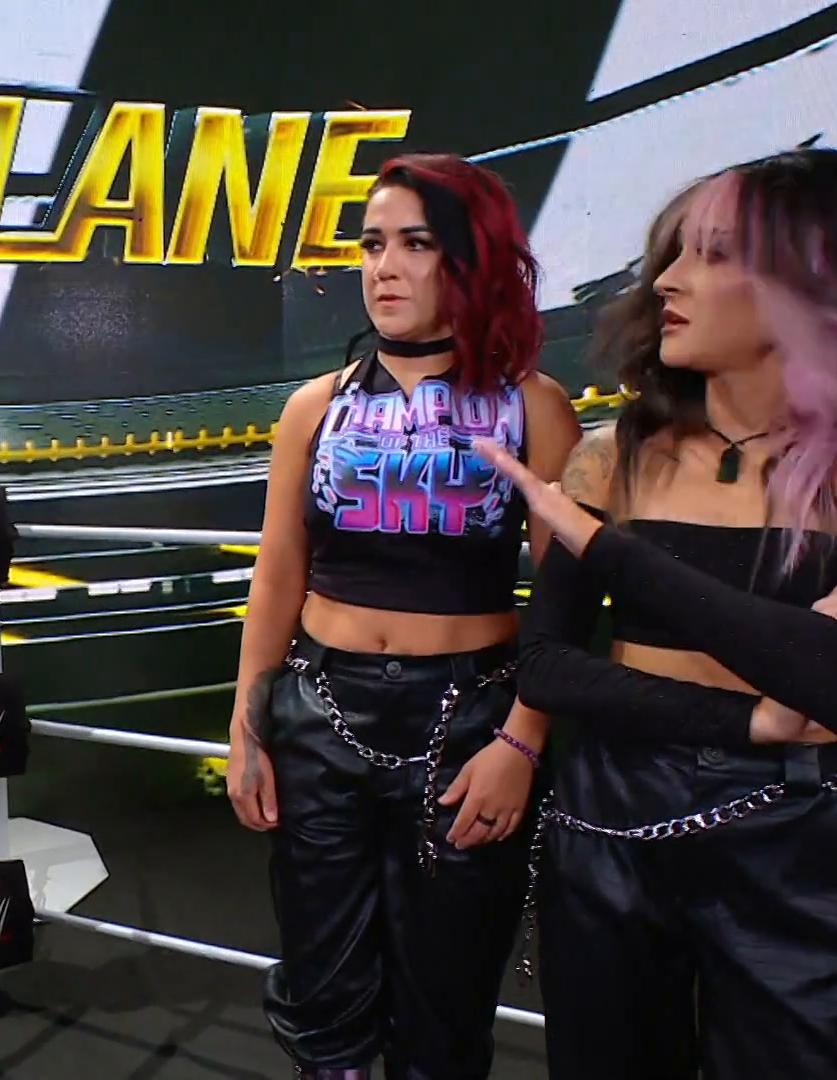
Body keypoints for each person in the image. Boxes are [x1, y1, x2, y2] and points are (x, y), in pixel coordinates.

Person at [470, 147, 837, 1079]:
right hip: (611, 819)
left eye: (711, 254)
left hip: (800, 833)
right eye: (672, 254)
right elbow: (546, 667)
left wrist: (607, 550)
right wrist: (755, 711)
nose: (665, 281)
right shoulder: (613, 452)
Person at [226, 152, 581, 1080]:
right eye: (372, 243)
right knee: (321, 991)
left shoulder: (533, 407)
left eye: (415, 244)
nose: (383, 267)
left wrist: (523, 742)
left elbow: (567, 597)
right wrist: (247, 726)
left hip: (469, 724)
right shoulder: (313, 408)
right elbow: (278, 573)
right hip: (321, 711)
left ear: (470, 259)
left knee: (446, 1006)